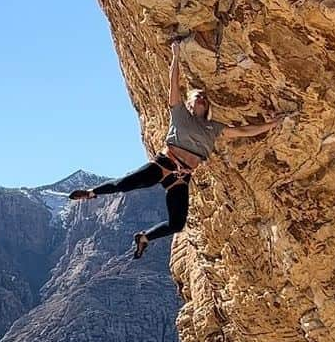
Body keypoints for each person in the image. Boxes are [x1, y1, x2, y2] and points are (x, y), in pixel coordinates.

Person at [70, 37, 283, 258]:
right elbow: (174, 84)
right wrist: (176, 57)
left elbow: (245, 131)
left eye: (203, 97)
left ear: (207, 106)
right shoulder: (179, 114)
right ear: (189, 103)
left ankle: (144, 238)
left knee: (177, 224)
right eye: (196, 96)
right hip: (164, 164)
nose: (200, 98)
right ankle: (91, 193)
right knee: (124, 184)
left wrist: (273, 124)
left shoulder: (214, 127)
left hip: (180, 178)